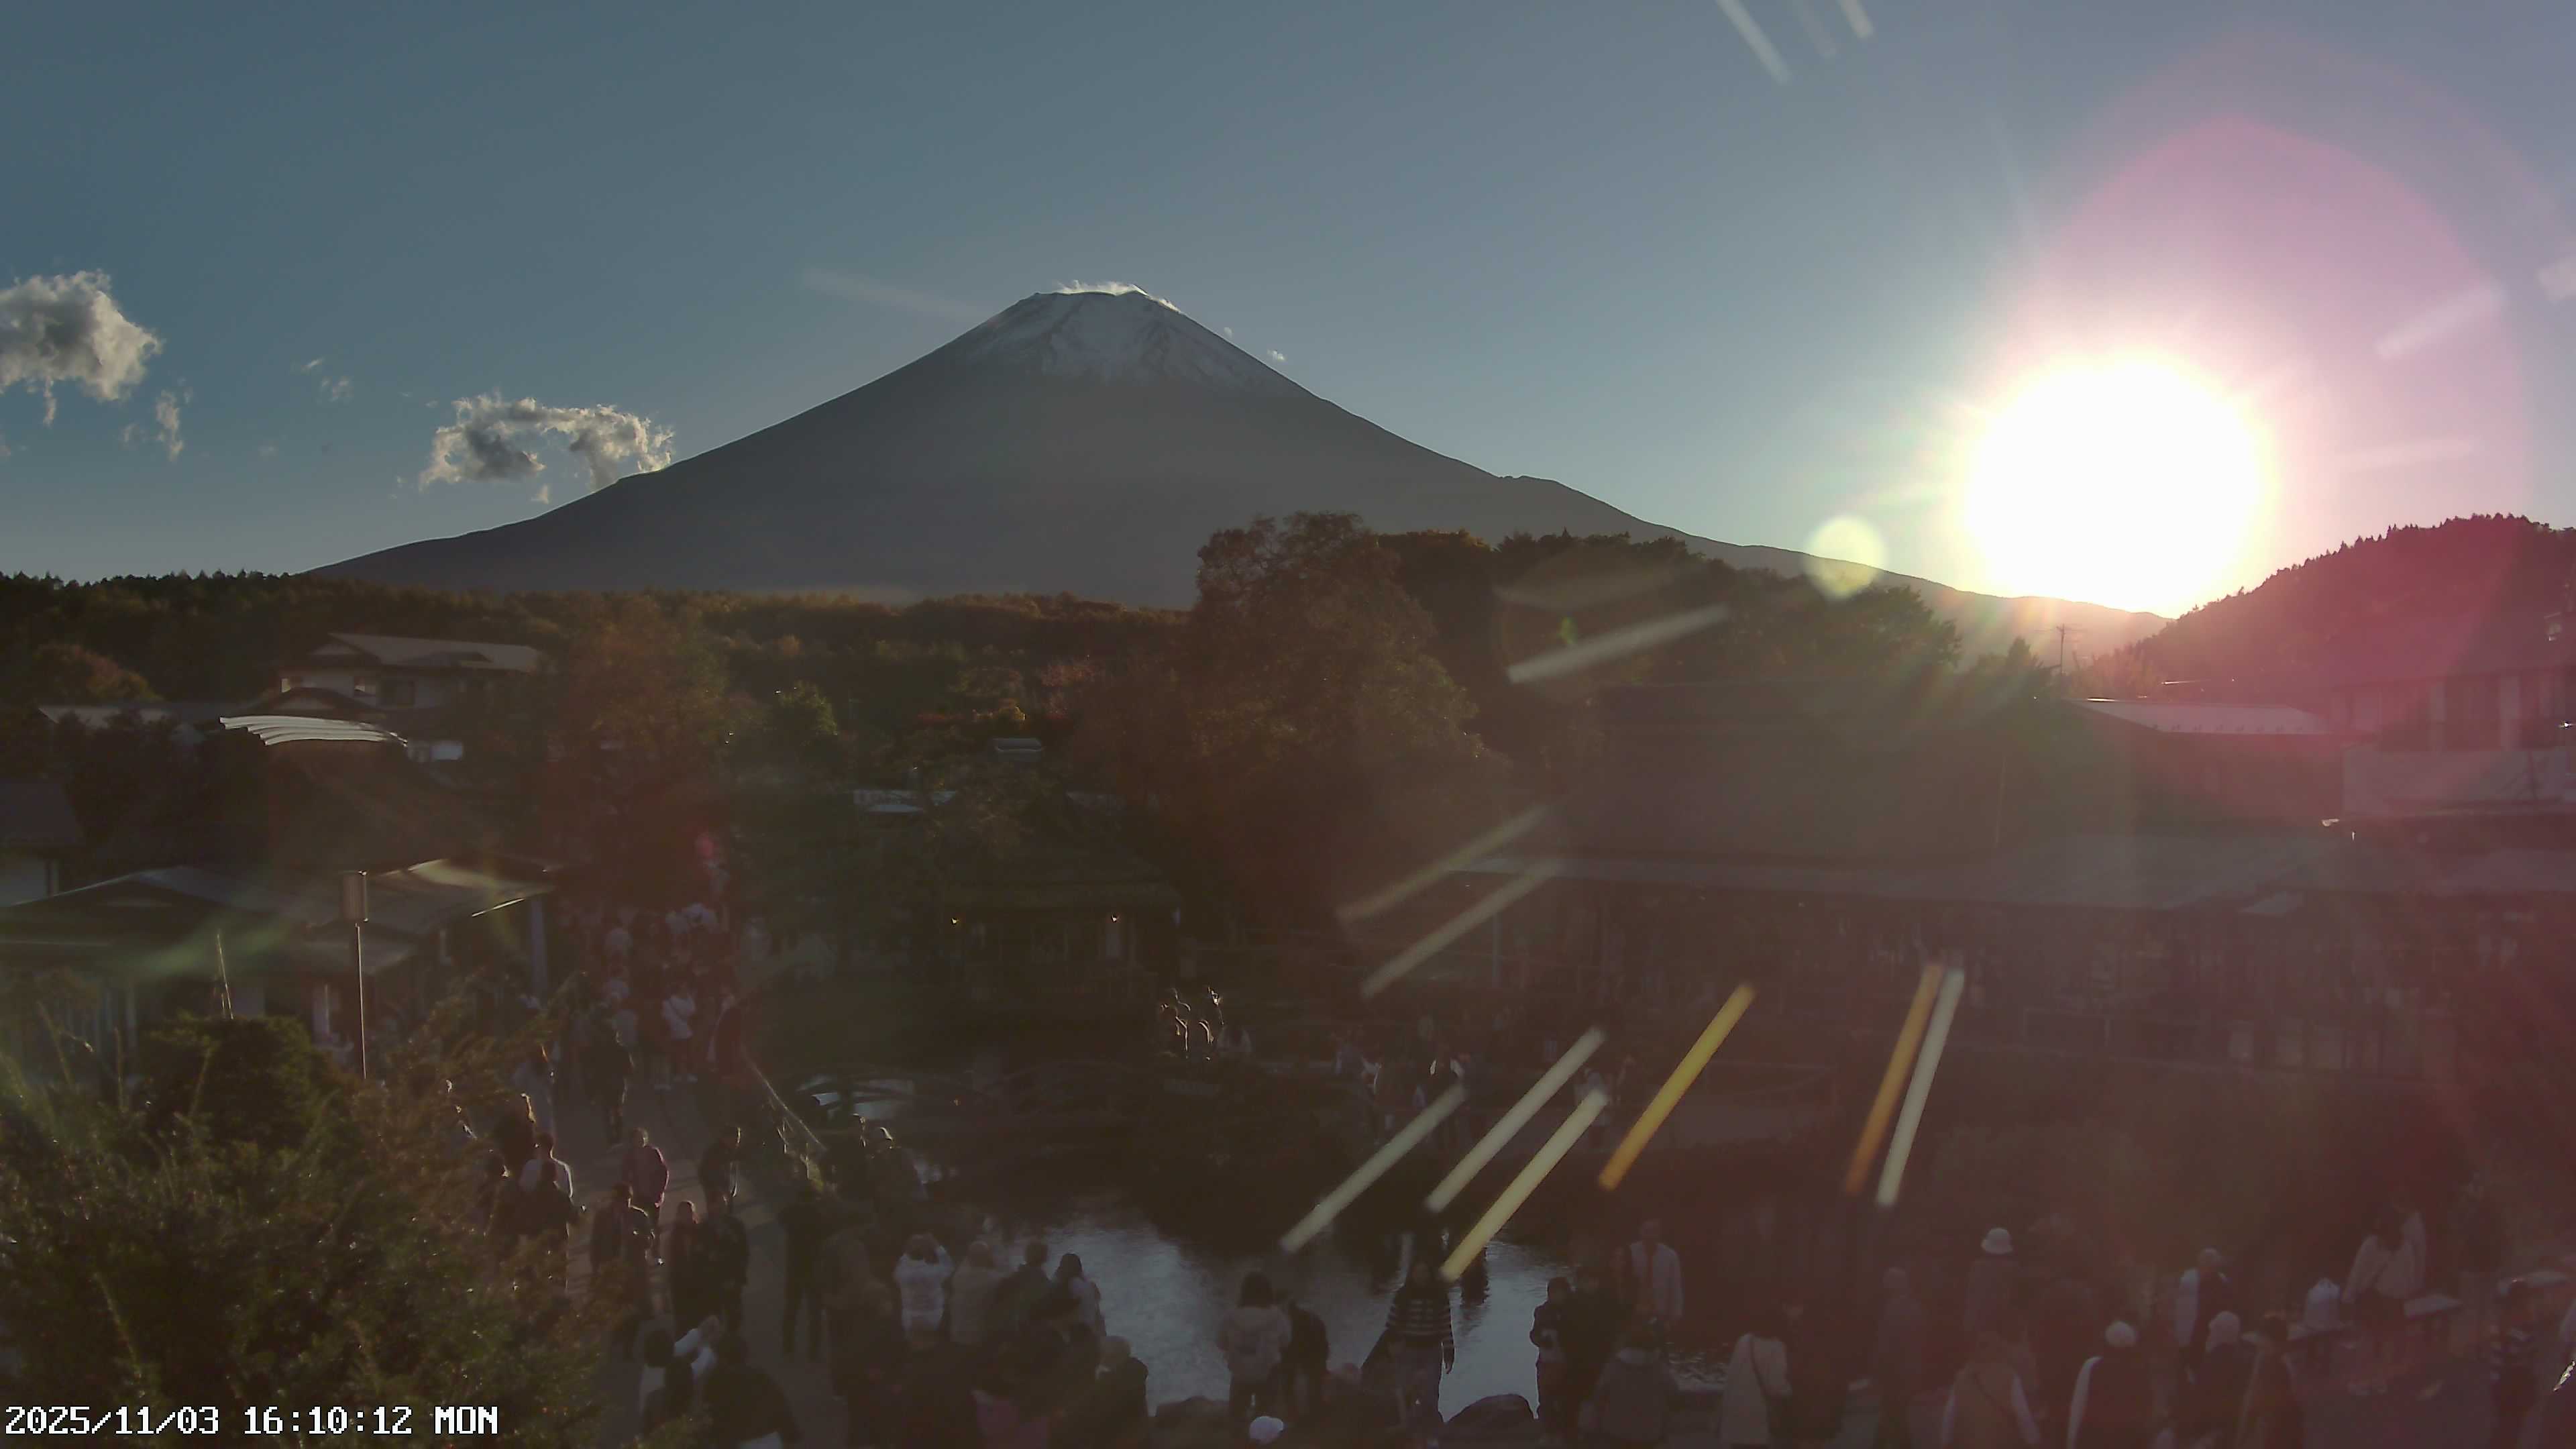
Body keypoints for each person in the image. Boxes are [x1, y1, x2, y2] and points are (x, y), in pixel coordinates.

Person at [1379, 1257, 1454, 1432]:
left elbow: (1446, 1327)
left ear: (1430, 1274)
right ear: (1412, 1274)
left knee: (1430, 1394)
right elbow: (1392, 1325)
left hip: (1431, 1351)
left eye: (1424, 1272)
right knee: (1405, 1394)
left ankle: (1431, 1430)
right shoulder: (1403, 1296)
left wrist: (1449, 1353)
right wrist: (1391, 1346)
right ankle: (1406, 1432)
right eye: (1417, 1272)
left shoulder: (1439, 1297)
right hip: (1407, 1350)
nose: (1421, 1276)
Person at [2344, 1207, 2412, 1396]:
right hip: (2395, 1303)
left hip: (2372, 1301)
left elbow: (2357, 1273)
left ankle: (2362, 1383)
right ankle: (2380, 1381)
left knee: (2366, 1341)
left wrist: (2348, 1298)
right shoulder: (2405, 1247)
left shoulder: (2371, 1245)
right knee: (2386, 1343)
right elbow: (2409, 1278)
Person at [1939, 1329, 2039, 1448]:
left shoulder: (1961, 1378)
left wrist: (1945, 1444)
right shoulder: (2010, 1377)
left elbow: (1949, 1418)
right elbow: (2023, 1417)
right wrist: (2034, 1442)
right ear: (1998, 1350)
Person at [1580, 1323, 1675, 1448]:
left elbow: (1599, 1395)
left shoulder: (1614, 1366)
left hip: (1615, 1431)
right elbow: (1673, 1394)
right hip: (1650, 1433)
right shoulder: (1660, 1369)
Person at [703, 1330, 803, 1448]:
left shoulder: (717, 1382)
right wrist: (791, 1434)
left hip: (738, 1443)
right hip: (769, 1441)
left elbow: (711, 1418)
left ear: (722, 1357)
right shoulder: (760, 1377)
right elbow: (781, 1405)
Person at [1220, 1271, 1294, 1425]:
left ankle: (1238, 1435)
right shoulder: (1276, 1316)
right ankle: (1262, 1435)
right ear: (1267, 1292)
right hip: (1268, 1371)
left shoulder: (1231, 1316)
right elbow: (1286, 1341)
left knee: (1237, 1412)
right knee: (1267, 1410)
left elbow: (1220, 1342)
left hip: (1240, 1372)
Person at [2065, 1322, 2153, 1449]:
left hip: (2094, 1438)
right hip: (2128, 1440)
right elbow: (2145, 1413)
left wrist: (2071, 1442)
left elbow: (2078, 1406)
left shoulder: (2092, 1366)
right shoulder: (2140, 1372)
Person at [1056, 1335, 1148, 1449]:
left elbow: (1089, 1413)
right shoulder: (1133, 1375)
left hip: (1113, 1440)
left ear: (1109, 1357)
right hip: (1132, 1433)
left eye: (1100, 1353)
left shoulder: (1110, 1384)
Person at [1720, 1305, 1793, 1448]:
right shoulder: (1776, 1347)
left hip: (1735, 1414)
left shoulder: (1744, 1340)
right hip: (1758, 1417)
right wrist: (1791, 1391)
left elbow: (1731, 1376)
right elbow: (1776, 1386)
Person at [1872, 1268, 1928, 1449]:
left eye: (1886, 1282)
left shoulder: (1893, 1309)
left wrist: (1879, 1371)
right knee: (1894, 1414)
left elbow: (1886, 1346)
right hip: (1908, 1371)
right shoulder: (1916, 1308)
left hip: (1894, 1373)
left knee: (1893, 1414)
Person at [637, 1316, 723, 1433]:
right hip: (665, 1430)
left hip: (652, 1425)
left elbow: (679, 1347)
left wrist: (700, 1331)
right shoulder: (672, 1376)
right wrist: (707, 1345)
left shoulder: (650, 1365)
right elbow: (700, 1364)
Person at [779, 1177, 833, 1360]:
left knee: (791, 1309)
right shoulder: (819, 1215)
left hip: (794, 1266)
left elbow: (782, 1217)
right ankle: (814, 1351)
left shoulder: (791, 1213)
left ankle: (787, 1347)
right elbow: (828, 1231)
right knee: (814, 1312)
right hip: (814, 1268)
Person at [2237, 1312, 2304, 1449]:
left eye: (2261, 1336)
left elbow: (2260, 1401)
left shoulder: (2276, 1366)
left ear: (2271, 1340)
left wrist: (2243, 1434)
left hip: (2278, 1426)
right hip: (2280, 1424)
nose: (2258, 1339)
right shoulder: (2268, 1358)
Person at [2184, 1312, 2251, 1448]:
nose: (2210, 1335)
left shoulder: (2215, 1361)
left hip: (2210, 1433)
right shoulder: (2242, 1359)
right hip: (2228, 1431)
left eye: (2213, 1331)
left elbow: (2205, 1398)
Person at [2491, 1282, 2542, 1449]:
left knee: (2501, 1427)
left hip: (2498, 1383)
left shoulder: (2499, 1325)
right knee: (2512, 1431)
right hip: (2517, 1388)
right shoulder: (2525, 1332)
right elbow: (2528, 1361)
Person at [2174, 1250, 2234, 1387]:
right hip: (2193, 1333)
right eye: (2206, 1266)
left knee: (2200, 1370)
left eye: (2212, 1266)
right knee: (2188, 1370)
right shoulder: (2189, 1280)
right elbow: (2182, 1310)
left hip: (2208, 1332)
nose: (2207, 1269)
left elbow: (2225, 1306)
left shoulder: (2221, 1281)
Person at [1620, 1218, 1686, 1332]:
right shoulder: (1630, 1251)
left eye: (1654, 1231)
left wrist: (1676, 1315)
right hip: (1635, 1311)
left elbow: (1676, 1287)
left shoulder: (1670, 1256)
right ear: (1640, 1231)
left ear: (1659, 1233)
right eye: (1646, 1231)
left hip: (1661, 1312)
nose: (1650, 1235)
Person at [947, 1240, 1008, 1349]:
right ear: (988, 1258)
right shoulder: (992, 1278)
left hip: (956, 1333)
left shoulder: (958, 1276)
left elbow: (968, 1261)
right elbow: (1007, 1274)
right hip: (978, 1337)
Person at [707, 1191, 753, 1335]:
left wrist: (737, 1277)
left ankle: (732, 1343)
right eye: (718, 1204)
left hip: (732, 1278)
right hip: (713, 1279)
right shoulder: (705, 1228)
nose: (722, 1208)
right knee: (714, 1316)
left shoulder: (736, 1226)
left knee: (734, 1315)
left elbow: (743, 1253)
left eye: (724, 1204)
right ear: (712, 1206)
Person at [894, 1232, 953, 1340]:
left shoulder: (901, 1271)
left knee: (913, 1344)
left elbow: (904, 1259)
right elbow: (948, 1265)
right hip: (933, 1316)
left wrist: (911, 1246)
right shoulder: (935, 1271)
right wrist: (937, 1245)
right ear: (927, 1253)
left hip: (910, 1316)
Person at [1281, 1294, 1330, 1419]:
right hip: (1316, 1358)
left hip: (1309, 1359)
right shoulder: (1311, 1318)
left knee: (1302, 1388)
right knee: (1314, 1388)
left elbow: (1294, 1347)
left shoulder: (1297, 1321)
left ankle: (1301, 1418)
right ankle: (1314, 1416)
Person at [993, 1240, 1053, 1338]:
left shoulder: (1012, 1278)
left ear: (1026, 1256)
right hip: (1031, 1330)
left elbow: (999, 1300)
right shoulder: (1045, 1282)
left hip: (1013, 1328)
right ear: (1045, 1258)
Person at [668, 1199, 713, 1330]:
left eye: (688, 1213)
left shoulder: (702, 1233)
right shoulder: (674, 1236)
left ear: (693, 1214)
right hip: (680, 1286)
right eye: (682, 1213)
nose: (686, 1216)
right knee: (683, 1324)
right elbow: (670, 1263)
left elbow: (709, 1258)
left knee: (700, 1320)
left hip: (699, 1284)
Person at [1965, 1229, 2019, 1337]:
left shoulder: (1976, 1267)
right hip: (2003, 1324)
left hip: (1977, 1323)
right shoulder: (2013, 1269)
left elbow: (1971, 1297)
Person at [592, 1009, 633, 1140]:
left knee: (606, 1109)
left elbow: (596, 1069)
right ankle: (618, 1131)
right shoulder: (622, 1050)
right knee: (617, 1108)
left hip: (605, 1083)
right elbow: (629, 1068)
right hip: (618, 1082)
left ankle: (610, 1135)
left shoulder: (599, 1050)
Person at [622, 1126, 670, 1224]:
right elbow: (625, 1175)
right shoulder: (630, 1156)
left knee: (653, 1221)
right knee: (639, 1221)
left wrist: (660, 1189)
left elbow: (663, 1172)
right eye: (638, 1138)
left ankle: (655, 1237)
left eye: (643, 1137)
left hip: (653, 1195)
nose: (641, 1140)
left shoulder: (654, 1153)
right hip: (638, 1195)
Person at [1058, 1252, 1105, 1338]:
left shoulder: (1063, 1287)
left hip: (1075, 1335)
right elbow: (1097, 1313)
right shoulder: (1090, 1285)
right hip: (1092, 1332)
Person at [521, 1130, 574, 1204]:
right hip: (558, 1206)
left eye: (537, 1146)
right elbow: (568, 1193)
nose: (535, 1149)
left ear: (542, 1147)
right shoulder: (562, 1167)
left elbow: (523, 1188)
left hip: (535, 1206)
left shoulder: (531, 1165)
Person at [493, 1093, 538, 1177]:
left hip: (532, 1164)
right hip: (515, 1166)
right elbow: (498, 1144)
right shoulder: (505, 1126)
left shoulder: (532, 1124)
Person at [702, 1123, 746, 1208]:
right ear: (726, 1138)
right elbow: (706, 1172)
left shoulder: (731, 1151)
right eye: (735, 1140)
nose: (737, 1143)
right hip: (717, 1191)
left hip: (726, 1191)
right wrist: (715, 1190)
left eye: (738, 1140)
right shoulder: (716, 1153)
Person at [663, 985, 699, 1085]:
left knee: (676, 1054)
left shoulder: (666, 1003)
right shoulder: (684, 1002)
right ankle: (688, 1075)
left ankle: (677, 1075)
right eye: (685, 991)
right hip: (684, 1032)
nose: (687, 993)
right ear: (680, 991)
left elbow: (665, 1017)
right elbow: (693, 1011)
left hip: (672, 1033)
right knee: (687, 1053)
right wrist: (690, 998)